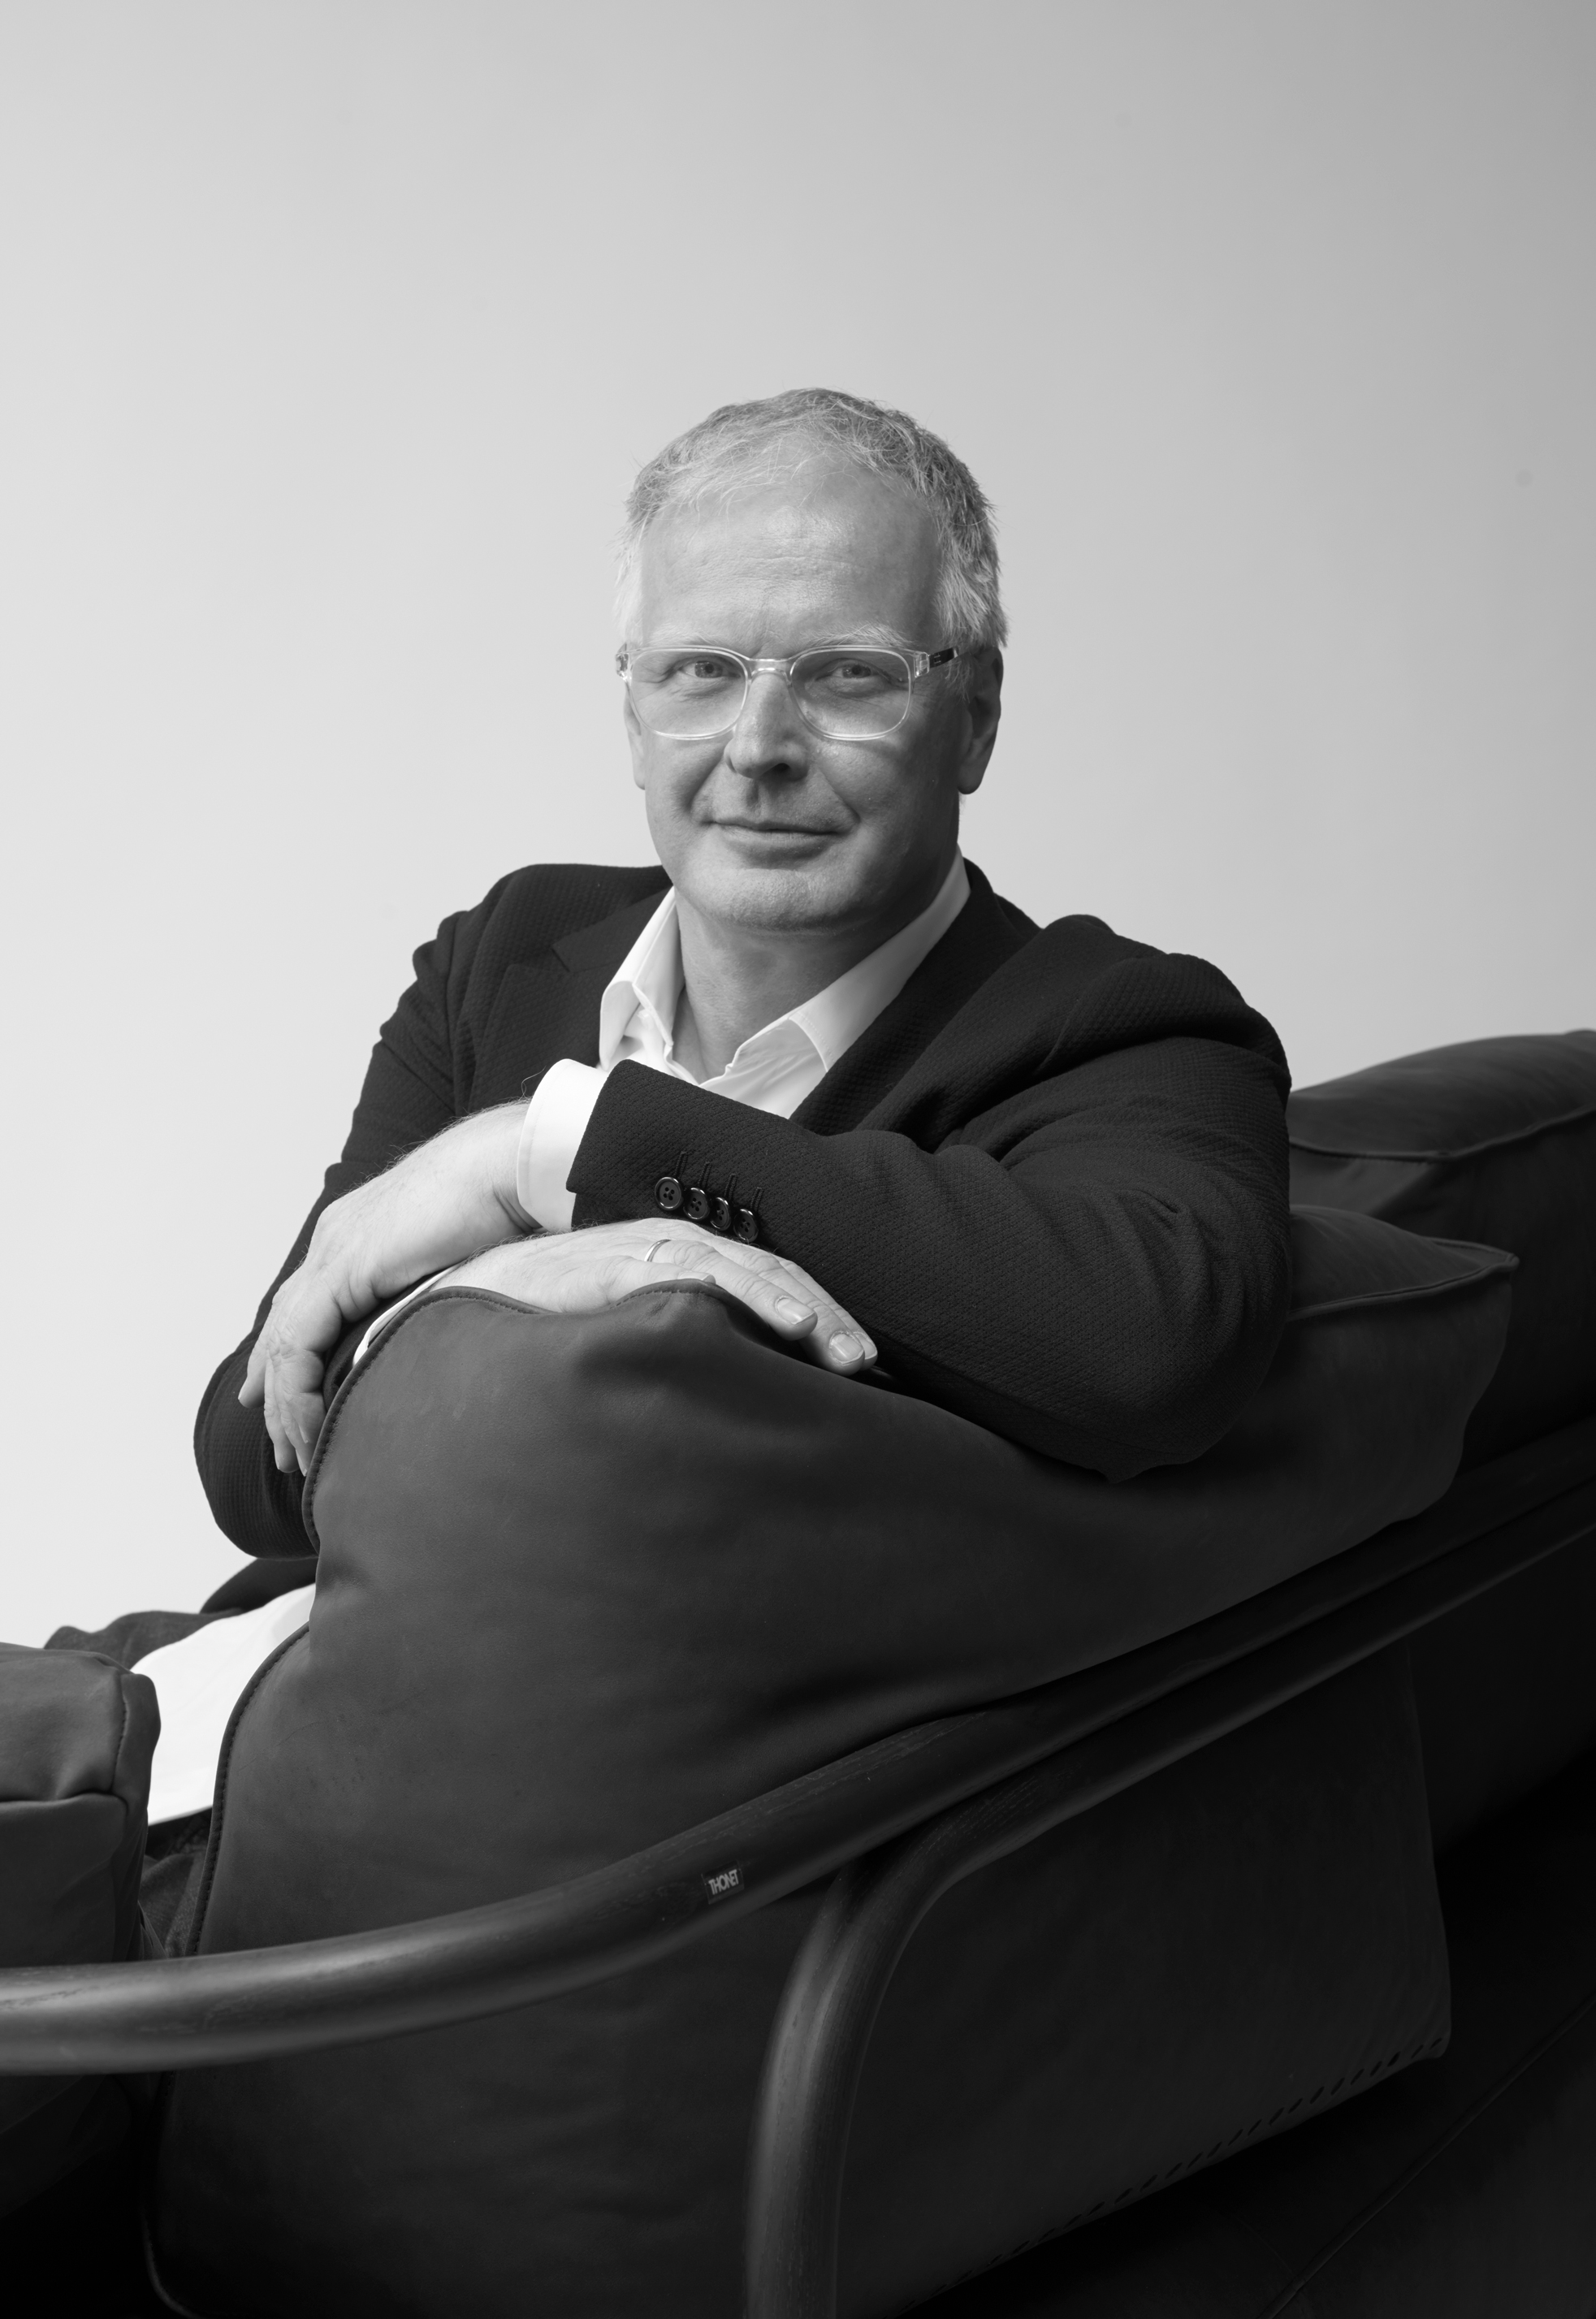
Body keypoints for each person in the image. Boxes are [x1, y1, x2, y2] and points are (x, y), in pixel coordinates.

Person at [197, 387, 1291, 1576]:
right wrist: (502, 1285)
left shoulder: (1126, 1030)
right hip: (279, 1659)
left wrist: (555, 1151)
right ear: (634, 716)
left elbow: (1147, 1353)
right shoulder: (505, 952)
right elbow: (251, 1462)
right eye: (700, 671)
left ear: (974, 716)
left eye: (849, 675)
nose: (759, 746)